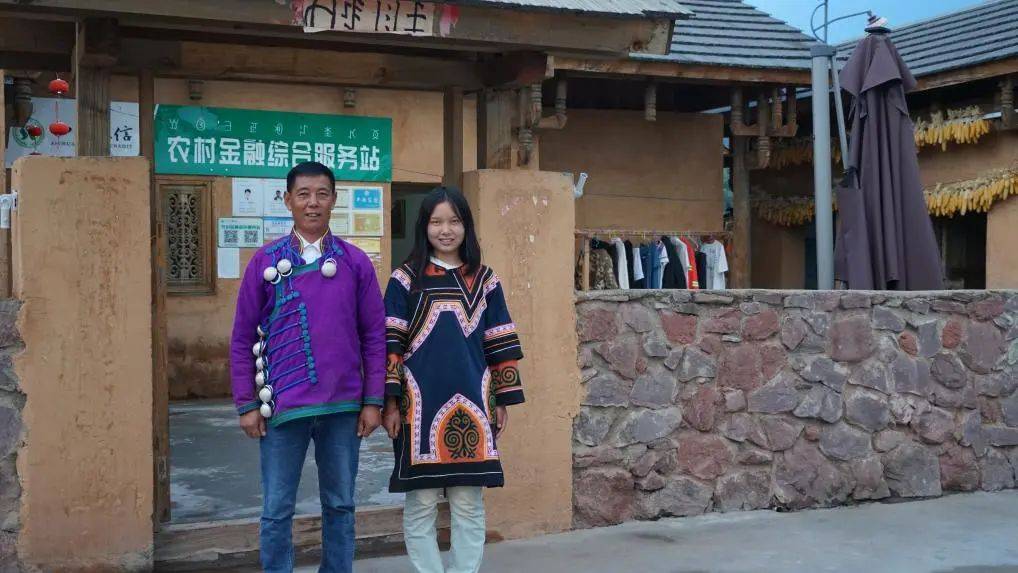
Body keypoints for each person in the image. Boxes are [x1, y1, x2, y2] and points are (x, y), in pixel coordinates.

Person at [230, 161, 385, 572]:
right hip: (282, 408)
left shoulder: (355, 262)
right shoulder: (265, 262)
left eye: (321, 194)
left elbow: (374, 335)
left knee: (340, 505)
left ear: (333, 199)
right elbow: (242, 337)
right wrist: (247, 403)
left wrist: (373, 401)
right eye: (303, 194)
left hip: (342, 407)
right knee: (276, 509)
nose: (312, 203)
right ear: (288, 201)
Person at [382, 187, 525, 573]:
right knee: (421, 503)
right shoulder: (405, 279)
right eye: (436, 222)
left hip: (474, 403)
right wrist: (390, 402)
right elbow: (390, 343)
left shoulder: (486, 280)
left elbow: (499, 340)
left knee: (468, 503)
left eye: (454, 221)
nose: (445, 230)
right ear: (424, 227)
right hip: (417, 407)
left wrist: (502, 399)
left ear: (466, 226)